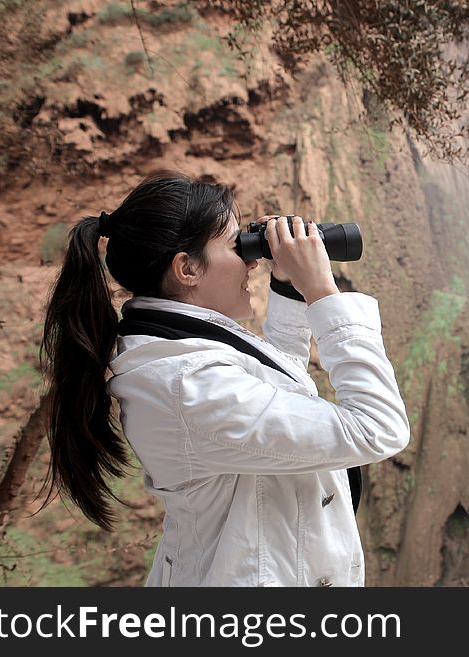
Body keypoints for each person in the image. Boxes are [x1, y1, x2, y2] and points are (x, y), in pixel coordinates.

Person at [41, 170, 409, 586]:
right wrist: (323, 292)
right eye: (237, 245)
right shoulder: (187, 384)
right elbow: (378, 428)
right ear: (187, 269)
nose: (252, 259)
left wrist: (288, 287)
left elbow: (275, 399)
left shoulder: (173, 342)